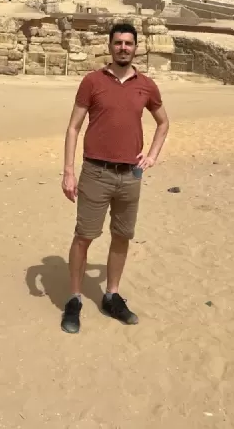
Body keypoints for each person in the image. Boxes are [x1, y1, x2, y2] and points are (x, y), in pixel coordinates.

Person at [60, 22, 170, 334]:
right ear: (109, 46)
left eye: (128, 43)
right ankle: (74, 298)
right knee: (84, 236)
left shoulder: (146, 86)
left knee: (122, 235)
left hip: (131, 175)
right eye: (118, 43)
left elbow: (163, 123)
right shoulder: (92, 81)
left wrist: (152, 155)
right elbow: (73, 127)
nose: (123, 48)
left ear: (136, 48)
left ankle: (112, 295)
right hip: (96, 172)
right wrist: (68, 172)